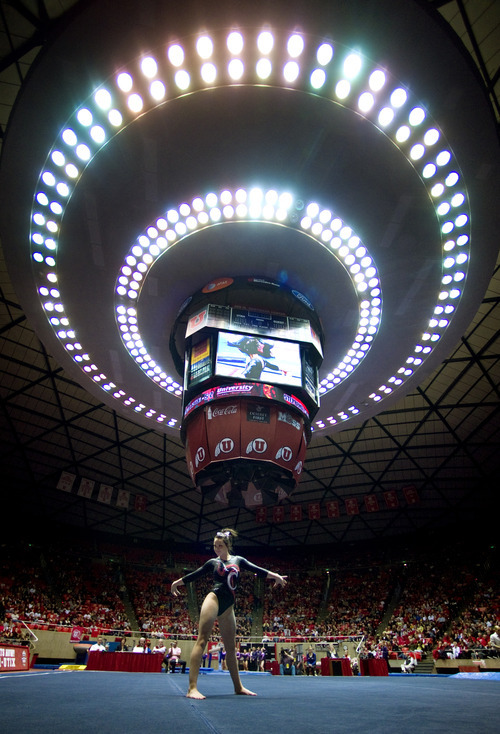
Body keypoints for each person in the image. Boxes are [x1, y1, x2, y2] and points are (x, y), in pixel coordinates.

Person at [170, 527, 287, 699]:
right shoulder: (212, 562)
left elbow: (258, 570)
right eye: (214, 546)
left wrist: (275, 576)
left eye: (219, 546)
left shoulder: (239, 560)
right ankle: (192, 688)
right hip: (214, 599)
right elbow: (195, 575)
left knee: (231, 648)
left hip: (228, 606)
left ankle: (238, 687)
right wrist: (176, 583)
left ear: (227, 545)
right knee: (202, 640)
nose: (216, 549)